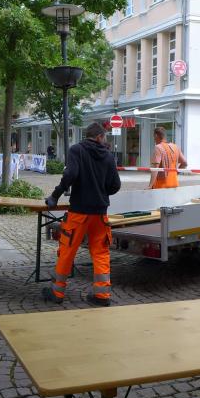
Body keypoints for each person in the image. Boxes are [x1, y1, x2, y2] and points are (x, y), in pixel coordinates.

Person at [42, 123, 121, 307]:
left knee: (67, 251)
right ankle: (102, 295)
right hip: (100, 213)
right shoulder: (108, 156)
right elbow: (115, 185)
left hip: (79, 211)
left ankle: (57, 292)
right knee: (101, 252)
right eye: (105, 136)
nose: (105, 140)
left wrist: (55, 196)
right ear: (99, 137)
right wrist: (101, 192)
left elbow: (70, 174)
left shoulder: (76, 150)